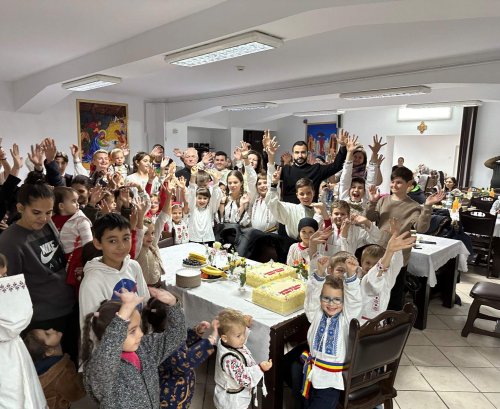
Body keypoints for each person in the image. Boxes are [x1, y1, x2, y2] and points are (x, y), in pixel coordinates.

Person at [0, 183, 78, 363]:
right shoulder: (8, 242)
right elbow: (11, 292)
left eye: (49, 212)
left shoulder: (47, 224)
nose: (44, 218)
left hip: (68, 306)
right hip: (44, 322)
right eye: (36, 212)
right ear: (20, 208)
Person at [81, 288, 186, 409]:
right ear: (110, 334)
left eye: (139, 327)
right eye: (132, 331)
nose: (141, 334)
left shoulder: (145, 348)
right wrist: (124, 313)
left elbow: (176, 336)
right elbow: (107, 358)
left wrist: (173, 305)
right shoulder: (98, 368)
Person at [365, 166, 445, 310]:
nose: (394, 185)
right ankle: (373, 318)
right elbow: (371, 218)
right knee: (375, 287)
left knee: (395, 290)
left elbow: (421, 228)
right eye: (392, 182)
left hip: (399, 255)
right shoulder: (383, 201)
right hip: (379, 251)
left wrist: (427, 206)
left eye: (399, 182)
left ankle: (392, 322)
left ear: (409, 184)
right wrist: (371, 202)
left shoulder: (413, 206)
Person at [302, 254, 362, 408]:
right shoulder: (315, 313)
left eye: (337, 299)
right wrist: (320, 273)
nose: (331, 304)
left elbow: (354, 301)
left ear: (344, 301)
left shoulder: (346, 320)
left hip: (331, 382)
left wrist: (351, 274)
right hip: (311, 374)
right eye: (326, 298)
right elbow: (312, 295)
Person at [142, 298, 218, 409]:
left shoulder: (157, 337)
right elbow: (184, 362)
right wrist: (210, 341)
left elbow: (182, 340)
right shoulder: (165, 342)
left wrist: (196, 332)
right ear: (172, 320)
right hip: (171, 396)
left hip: (176, 392)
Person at [78, 213, 150, 330]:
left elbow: (145, 301)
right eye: (112, 241)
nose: (121, 246)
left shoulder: (133, 266)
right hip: (113, 346)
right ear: (98, 243)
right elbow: (90, 329)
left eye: (126, 238)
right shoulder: (92, 282)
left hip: (139, 339)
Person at [0, 256, 48, 409]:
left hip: (15, 352)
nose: (3, 281)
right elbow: (10, 326)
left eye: (4, 276)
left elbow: (16, 323)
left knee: (28, 394)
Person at [263, 130, 348, 204]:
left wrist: (343, 147)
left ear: (307, 153)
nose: (300, 155)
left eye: (303, 152)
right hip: (288, 214)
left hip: (308, 216)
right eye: (297, 152)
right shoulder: (285, 170)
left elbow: (336, 166)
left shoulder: (316, 169)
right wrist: (267, 152)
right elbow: (269, 168)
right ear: (293, 154)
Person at [213, 308, 272, 409]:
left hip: (226, 393)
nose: (243, 338)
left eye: (243, 333)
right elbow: (245, 380)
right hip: (233, 401)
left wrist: (243, 324)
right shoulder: (230, 360)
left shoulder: (225, 342)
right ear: (225, 338)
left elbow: (235, 338)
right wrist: (260, 368)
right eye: (238, 335)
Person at [358, 231, 415, 324]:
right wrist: (389, 251)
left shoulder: (387, 280)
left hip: (378, 323)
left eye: (375, 264)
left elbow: (396, 263)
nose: (371, 267)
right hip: (358, 323)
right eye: (368, 263)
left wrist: (395, 249)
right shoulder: (357, 277)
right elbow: (373, 277)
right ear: (361, 262)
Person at [23, 328, 85, 409]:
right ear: (49, 351)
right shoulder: (60, 375)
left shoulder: (38, 367)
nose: (51, 329)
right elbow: (75, 392)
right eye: (47, 334)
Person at [52, 186, 93, 289]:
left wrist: (86, 262)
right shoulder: (52, 220)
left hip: (78, 256)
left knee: (78, 283)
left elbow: (88, 242)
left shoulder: (81, 220)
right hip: (62, 257)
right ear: (61, 206)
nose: (78, 204)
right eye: (74, 201)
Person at [337, 135, 382, 214]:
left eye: (360, 188)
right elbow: (345, 178)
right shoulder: (344, 198)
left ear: (364, 190)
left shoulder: (366, 199)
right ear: (349, 189)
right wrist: (350, 152)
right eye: (353, 187)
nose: (356, 190)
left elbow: (371, 179)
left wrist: (375, 153)